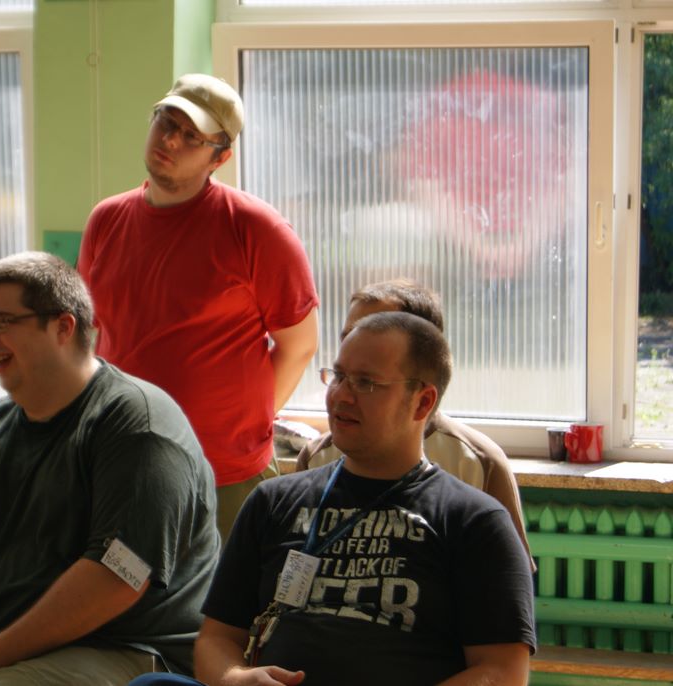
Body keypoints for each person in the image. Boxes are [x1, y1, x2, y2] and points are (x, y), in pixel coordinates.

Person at [130, 312, 536, 686]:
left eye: (366, 383)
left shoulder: (473, 521)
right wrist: (236, 678)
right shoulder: (273, 502)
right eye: (338, 376)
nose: (341, 395)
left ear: (422, 402)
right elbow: (217, 639)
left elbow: (503, 671)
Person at [0, 252, 220, 686]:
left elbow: (120, 574)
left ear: (63, 327)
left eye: (4, 322)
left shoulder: (137, 423)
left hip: (120, 652)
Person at [78, 73, 320, 540]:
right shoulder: (106, 220)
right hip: (124, 463)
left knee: (225, 588)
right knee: (122, 585)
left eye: (192, 136)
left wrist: (241, 428)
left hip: (224, 475)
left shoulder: (256, 229)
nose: (170, 139)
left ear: (220, 157)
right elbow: (93, 337)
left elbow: (300, 345)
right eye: (166, 121)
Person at [296, 279, 533, 567]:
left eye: (378, 330)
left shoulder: (477, 462)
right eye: (350, 334)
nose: (358, 342)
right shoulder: (316, 459)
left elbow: (508, 579)